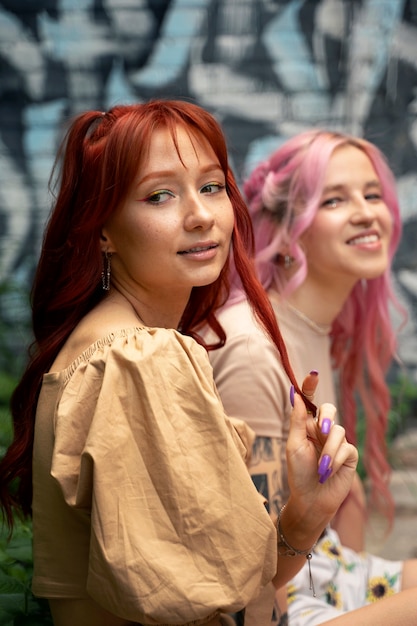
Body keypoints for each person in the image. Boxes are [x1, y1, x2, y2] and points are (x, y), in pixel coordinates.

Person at [0, 102, 358, 626]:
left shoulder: (109, 344)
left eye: (212, 187)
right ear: (102, 231)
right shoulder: (139, 358)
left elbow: (222, 587)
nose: (201, 215)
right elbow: (219, 605)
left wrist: (305, 515)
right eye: (160, 195)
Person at [207, 129, 417, 625]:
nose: (367, 212)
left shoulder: (317, 330)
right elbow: (242, 575)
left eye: (372, 195)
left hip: (320, 572)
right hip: (268, 602)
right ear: (285, 231)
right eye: (334, 199)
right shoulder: (253, 350)